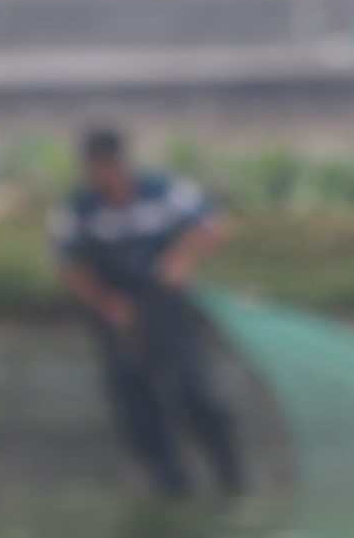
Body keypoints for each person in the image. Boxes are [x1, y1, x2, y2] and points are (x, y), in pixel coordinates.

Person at [51, 125, 244, 496]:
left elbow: (212, 224)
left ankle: (230, 477)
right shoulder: (79, 210)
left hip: (166, 304)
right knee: (134, 398)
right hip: (118, 314)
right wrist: (110, 305)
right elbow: (71, 270)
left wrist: (180, 259)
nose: (97, 174)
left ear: (118, 163)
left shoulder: (161, 191)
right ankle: (171, 484)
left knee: (195, 390)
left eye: (103, 165)